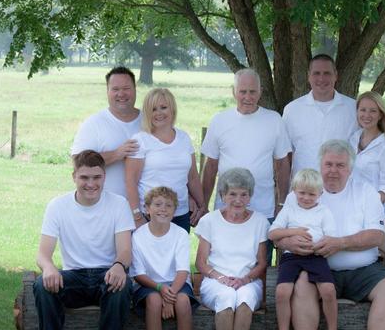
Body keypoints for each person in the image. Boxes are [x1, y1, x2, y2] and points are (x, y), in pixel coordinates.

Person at [276, 140, 385, 330]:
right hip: (317, 266)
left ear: (350, 168)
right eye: (328, 164)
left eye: (340, 165)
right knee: (302, 285)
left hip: (362, 269)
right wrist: (288, 242)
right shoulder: (302, 192)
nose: (333, 170)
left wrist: (340, 243)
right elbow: (279, 233)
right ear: (320, 165)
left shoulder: (366, 192)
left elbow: (377, 235)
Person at [33, 150, 134, 330]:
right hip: (73, 276)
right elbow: (42, 254)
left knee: (122, 285)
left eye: (97, 177)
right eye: (84, 177)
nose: (91, 184)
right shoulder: (57, 206)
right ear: (74, 177)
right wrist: (49, 268)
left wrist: (119, 266)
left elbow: (125, 250)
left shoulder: (119, 204)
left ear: (104, 177)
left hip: (106, 274)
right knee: (41, 285)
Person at [194, 168, 270, 330]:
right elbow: (200, 262)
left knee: (244, 298)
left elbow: (262, 262)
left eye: (244, 194)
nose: (238, 200)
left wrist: (245, 279)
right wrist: (220, 278)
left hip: (249, 279)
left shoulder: (260, 221)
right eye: (232, 194)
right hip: (215, 279)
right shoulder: (209, 220)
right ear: (222, 195)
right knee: (227, 297)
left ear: (250, 196)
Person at [201, 68, 290, 225]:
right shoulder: (219, 120)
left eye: (252, 92)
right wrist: (203, 204)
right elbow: (210, 166)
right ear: (234, 91)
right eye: (243, 92)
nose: (248, 97)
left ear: (260, 92)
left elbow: (282, 165)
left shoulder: (274, 120)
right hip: (226, 209)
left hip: (263, 209)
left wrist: (282, 203)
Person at [268, 169, 338, 330]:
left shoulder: (323, 212)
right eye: (302, 193)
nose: (306, 198)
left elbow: (330, 237)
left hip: (316, 256)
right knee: (282, 292)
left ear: (320, 194)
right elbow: (272, 234)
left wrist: (315, 247)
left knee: (328, 290)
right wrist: (294, 232)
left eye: (311, 194)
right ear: (294, 191)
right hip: (291, 256)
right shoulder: (289, 210)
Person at [130, 186, 199, 330]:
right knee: (153, 300)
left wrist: (169, 297)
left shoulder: (180, 234)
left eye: (169, 205)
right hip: (149, 284)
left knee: (183, 301)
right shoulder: (138, 236)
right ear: (147, 209)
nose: (163, 209)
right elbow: (138, 274)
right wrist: (160, 289)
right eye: (158, 204)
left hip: (177, 283)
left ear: (174, 211)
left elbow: (183, 271)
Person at [125, 88, 206, 232]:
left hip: (181, 214)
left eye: (163, 107)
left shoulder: (184, 138)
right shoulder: (140, 140)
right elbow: (130, 181)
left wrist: (202, 206)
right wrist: (137, 216)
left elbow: (193, 177)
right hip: (150, 216)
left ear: (172, 109)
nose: (159, 113)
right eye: (153, 109)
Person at [283, 54, 358, 179]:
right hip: (304, 187)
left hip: (342, 186)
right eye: (316, 73)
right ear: (308, 76)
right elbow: (285, 154)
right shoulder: (292, 110)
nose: (321, 78)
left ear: (336, 75)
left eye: (327, 73)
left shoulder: (353, 109)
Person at [71, 67, 142, 198]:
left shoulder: (151, 121)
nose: (121, 94)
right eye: (115, 89)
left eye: (126, 88)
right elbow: (77, 161)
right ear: (107, 91)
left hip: (149, 206)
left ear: (135, 89)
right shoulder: (94, 123)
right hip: (107, 205)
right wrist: (116, 154)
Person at [349, 91, 385, 221]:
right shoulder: (353, 139)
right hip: (355, 212)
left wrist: (366, 206)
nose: (367, 115)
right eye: (363, 110)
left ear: (380, 114)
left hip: (381, 214)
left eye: (373, 111)